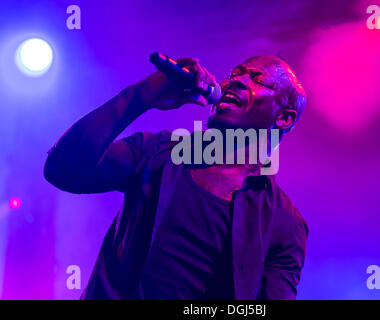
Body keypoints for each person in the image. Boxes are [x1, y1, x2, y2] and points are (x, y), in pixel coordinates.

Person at [44, 55, 309, 300]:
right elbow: (63, 169)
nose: (236, 80)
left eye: (258, 79)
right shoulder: (157, 152)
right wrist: (141, 96)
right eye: (235, 73)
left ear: (284, 118)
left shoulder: (284, 222)